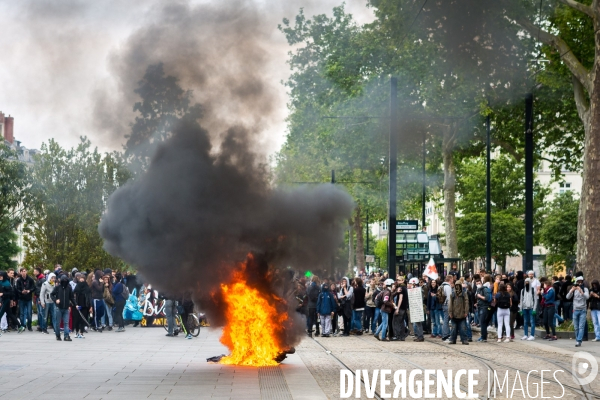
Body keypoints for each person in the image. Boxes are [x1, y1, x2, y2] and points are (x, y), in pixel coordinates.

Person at [51, 275, 75, 341]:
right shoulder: (57, 287)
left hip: (66, 308)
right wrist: (55, 300)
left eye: (66, 281)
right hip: (58, 308)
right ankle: (58, 335)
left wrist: (75, 304)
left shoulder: (69, 288)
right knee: (58, 323)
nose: (64, 282)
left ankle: (66, 336)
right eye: (63, 281)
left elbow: (72, 298)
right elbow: (52, 294)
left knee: (66, 323)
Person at [567, 276, 590, 347]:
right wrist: (571, 290)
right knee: (576, 327)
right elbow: (567, 297)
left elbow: (587, 297)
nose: (580, 283)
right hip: (575, 310)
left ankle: (579, 341)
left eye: (581, 281)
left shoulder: (585, 289)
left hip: (582, 310)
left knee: (581, 326)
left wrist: (581, 291)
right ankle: (577, 339)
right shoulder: (574, 289)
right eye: (578, 281)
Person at [15, 267, 35, 333]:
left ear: (26, 272)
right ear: (20, 272)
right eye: (22, 271)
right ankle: (22, 325)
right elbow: (17, 289)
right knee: (22, 313)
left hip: (28, 298)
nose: (24, 272)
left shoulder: (30, 279)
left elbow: (34, 287)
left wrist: (29, 290)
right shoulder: (18, 280)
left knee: (29, 313)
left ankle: (29, 326)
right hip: (21, 298)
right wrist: (21, 292)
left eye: (24, 271)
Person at [73, 273, 92, 338]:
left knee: (83, 319)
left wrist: (90, 306)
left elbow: (89, 297)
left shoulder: (87, 288)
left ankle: (81, 332)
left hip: (85, 305)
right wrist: (75, 304)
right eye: (80, 279)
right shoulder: (77, 287)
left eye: (82, 279)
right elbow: (74, 296)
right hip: (77, 305)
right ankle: (76, 331)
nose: (81, 281)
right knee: (77, 319)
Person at [475, 276, 493, 342]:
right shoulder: (478, 289)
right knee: (482, 322)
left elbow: (487, 298)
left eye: (479, 283)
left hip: (485, 308)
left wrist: (480, 296)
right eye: (476, 284)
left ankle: (483, 337)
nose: (478, 285)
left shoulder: (484, 289)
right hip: (480, 307)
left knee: (483, 322)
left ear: (481, 283)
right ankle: (483, 336)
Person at [407, 278, 425, 342]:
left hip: (418, 308)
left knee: (418, 323)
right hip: (415, 308)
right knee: (417, 323)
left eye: (411, 284)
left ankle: (420, 336)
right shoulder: (415, 290)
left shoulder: (419, 290)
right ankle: (418, 335)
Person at [440, 275, 453, 340]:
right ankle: (445, 335)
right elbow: (449, 297)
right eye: (452, 279)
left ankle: (447, 333)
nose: (453, 280)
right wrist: (450, 306)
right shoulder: (447, 287)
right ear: (450, 279)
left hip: (443, 304)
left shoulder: (442, 286)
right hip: (447, 305)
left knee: (446, 320)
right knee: (446, 320)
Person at [33, 267, 46, 332]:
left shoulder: (42, 279)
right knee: (39, 312)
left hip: (41, 297)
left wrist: (41, 299)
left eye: (34, 271)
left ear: (38, 272)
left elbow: (42, 290)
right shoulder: (38, 279)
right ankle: (40, 326)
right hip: (38, 296)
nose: (33, 272)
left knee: (41, 312)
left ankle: (43, 326)